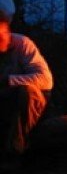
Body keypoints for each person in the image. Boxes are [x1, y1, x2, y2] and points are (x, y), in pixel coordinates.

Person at [0, 10, 53, 162]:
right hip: (5, 101)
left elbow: (46, 79)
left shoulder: (22, 44)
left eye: (1, 34)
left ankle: (15, 153)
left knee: (24, 91)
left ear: (7, 30)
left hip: (32, 103)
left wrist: (8, 80)